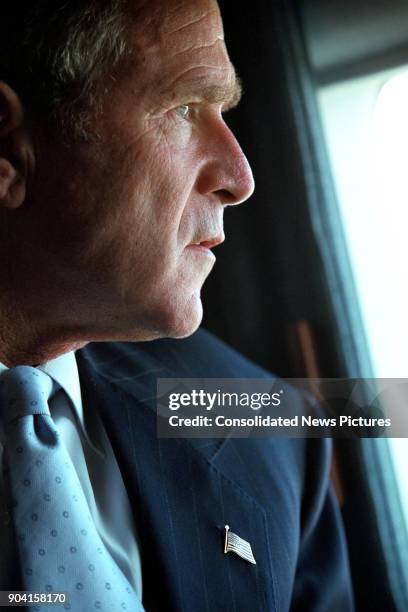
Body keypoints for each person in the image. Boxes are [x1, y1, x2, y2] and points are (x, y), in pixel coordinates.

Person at [0, 0, 354, 610]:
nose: (239, 178)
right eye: (185, 107)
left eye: (224, 112)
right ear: (7, 153)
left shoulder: (272, 434)